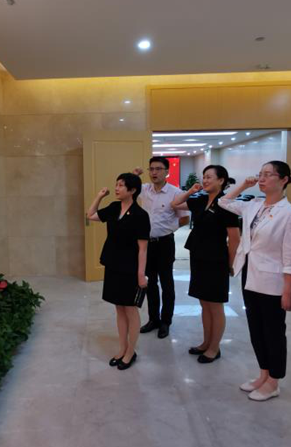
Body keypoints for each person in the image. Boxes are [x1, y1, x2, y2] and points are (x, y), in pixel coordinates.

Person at [218, 161, 291, 401]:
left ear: (284, 180)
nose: (262, 179)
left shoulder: (290, 214)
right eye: (260, 174)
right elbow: (223, 202)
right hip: (250, 274)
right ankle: (263, 373)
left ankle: (274, 381)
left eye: (268, 175)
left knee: (273, 332)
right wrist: (244, 185)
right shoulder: (253, 205)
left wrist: (288, 291)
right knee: (256, 329)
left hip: (273, 281)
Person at [172, 165, 240, 363]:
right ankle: (206, 342)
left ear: (221, 180)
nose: (205, 180)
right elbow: (175, 204)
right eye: (204, 176)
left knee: (215, 305)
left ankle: (214, 347)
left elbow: (234, 238)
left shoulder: (226, 204)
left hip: (217, 259)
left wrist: (231, 263)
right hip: (198, 256)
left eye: (210, 177)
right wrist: (190, 191)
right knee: (204, 303)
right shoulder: (200, 200)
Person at [86, 172, 150, 370]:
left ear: (132, 190)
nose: (117, 188)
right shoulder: (114, 208)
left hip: (130, 267)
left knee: (130, 308)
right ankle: (122, 348)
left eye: (121, 185)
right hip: (113, 263)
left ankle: (131, 351)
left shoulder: (140, 215)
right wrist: (99, 196)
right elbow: (91, 215)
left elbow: (142, 249)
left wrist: (141, 274)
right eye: (116, 184)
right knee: (119, 308)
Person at [132, 158, 189, 339]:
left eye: (158, 169)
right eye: (151, 169)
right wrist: (135, 175)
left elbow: (185, 218)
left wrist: (168, 229)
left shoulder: (175, 193)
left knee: (167, 284)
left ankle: (166, 321)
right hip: (147, 245)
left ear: (167, 171)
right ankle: (153, 319)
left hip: (165, 243)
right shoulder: (144, 189)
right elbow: (129, 187)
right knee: (150, 284)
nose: (154, 172)